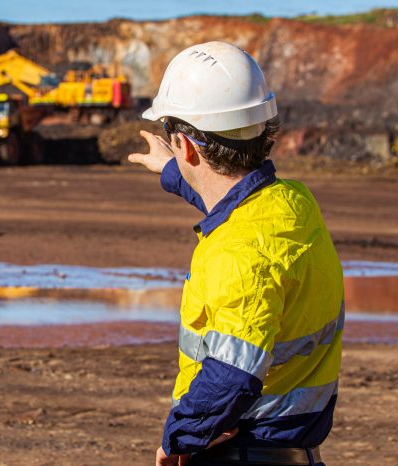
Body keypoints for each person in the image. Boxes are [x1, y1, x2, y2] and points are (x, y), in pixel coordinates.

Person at [128, 42, 343, 466]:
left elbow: (232, 375)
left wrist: (179, 438)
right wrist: (173, 171)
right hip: (291, 450)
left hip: (242, 451)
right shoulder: (292, 203)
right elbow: (231, 198)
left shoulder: (239, 253)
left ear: (186, 146)